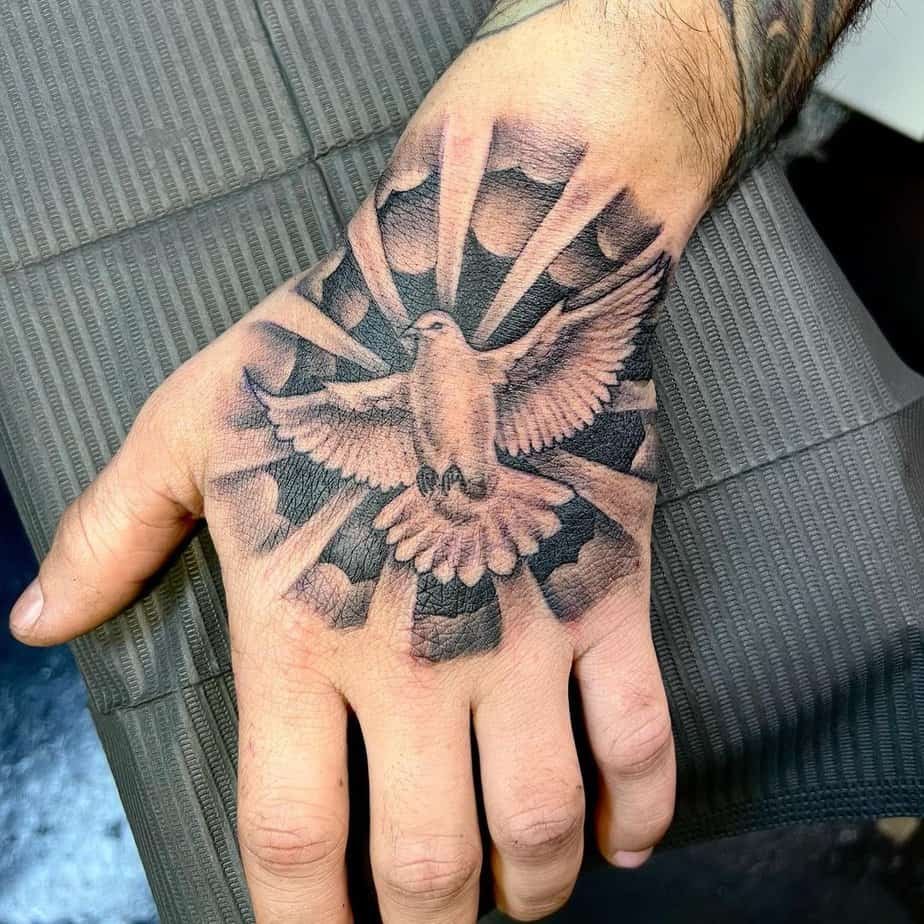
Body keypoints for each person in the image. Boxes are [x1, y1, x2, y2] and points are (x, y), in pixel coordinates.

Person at [9, 1, 867, 921]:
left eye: (430, 328)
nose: (427, 332)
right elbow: (316, 419)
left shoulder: (510, 363)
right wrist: (285, 405)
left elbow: (590, 331)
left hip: (500, 485)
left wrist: (634, 95)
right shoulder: (382, 399)